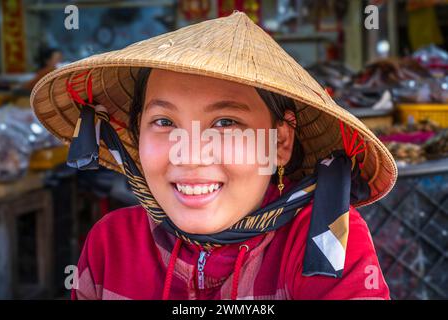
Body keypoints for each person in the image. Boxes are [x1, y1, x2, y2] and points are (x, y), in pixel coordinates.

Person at [30, 12, 397, 300]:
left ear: (280, 142)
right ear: (136, 132)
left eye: (225, 122)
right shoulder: (111, 244)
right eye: (163, 121)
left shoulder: (324, 240)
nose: (189, 154)